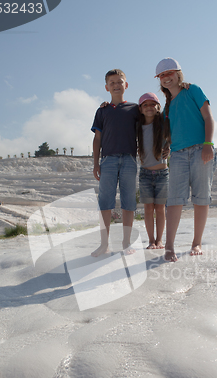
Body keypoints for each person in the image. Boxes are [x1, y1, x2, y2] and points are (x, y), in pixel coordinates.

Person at [155, 57, 217, 262]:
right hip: (179, 156)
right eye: (162, 75)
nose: (166, 78)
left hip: (201, 150)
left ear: (178, 73)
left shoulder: (193, 91)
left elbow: (208, 117)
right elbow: (169, 132)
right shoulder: (168, 106)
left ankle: (196, 242)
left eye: (169, 73)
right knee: (174, 200)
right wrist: (165, 147)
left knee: (201, 197)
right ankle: (170, 246)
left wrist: (208, 144)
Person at [91, 69, 139, 256]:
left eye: (119, 82)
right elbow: (97, 139)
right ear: (106, 87)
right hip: (108, 160)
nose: (116, 85)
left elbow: (150, 123)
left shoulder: (135, 109)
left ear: (126, 85)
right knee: (105, 203)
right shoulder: (102, 110)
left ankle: (126, 242)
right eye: (112, 83)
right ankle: (104, 244)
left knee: (128, 202)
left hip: (129, 159)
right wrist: (96, 163)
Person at [137, 92, 169, 249]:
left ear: (158, 107)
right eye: (145, 105)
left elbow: (171, 107)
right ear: (140, 109)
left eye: (152, 104)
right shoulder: (137, 127)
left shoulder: (162, 124)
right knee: (148, 208)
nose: (149, 107)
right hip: (145, 174)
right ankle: (151, 241)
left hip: (162, 173)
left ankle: (160, 240)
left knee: (160, 208)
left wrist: (168, 146)